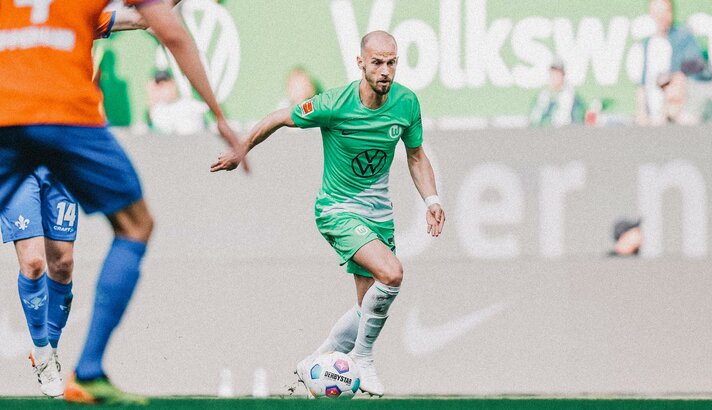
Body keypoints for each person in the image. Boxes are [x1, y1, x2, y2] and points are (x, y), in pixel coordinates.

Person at [0, 0, 247, 405]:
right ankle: (66, 359)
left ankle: (70, 363)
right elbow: (166, 27)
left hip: (44, 127)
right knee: (39, 259)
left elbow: (139, 18)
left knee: (63, 263)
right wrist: (218, 115)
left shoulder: (77, 16)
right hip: (55, 121)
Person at [211, 30, 446, 397]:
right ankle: (363, 359)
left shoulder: (406, 103)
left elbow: (415, 155)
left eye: (392, 62)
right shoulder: (335, 103)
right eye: (377, 62)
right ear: (361, 63)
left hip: (379, 213)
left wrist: (432, 200)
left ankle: (315, 361)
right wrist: (242, 148)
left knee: (367, 304)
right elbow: (280, 116)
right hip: (337, 209)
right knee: (393, 273)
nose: (385, 70)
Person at [635, 0, 712, 126]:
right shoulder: (647, 44)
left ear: (671, 12)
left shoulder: (684, 37)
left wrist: (677, 77)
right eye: (657, 12)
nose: (661, 16)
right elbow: (643, 85)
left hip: (677, 114)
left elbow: (699, 66)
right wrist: (642, 114)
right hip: (653, 118)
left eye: (665, 11)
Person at [528, 58, 585, 127]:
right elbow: (534, 119)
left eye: (557, 74)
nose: (554, 77)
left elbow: (578, 118)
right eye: (552, 74)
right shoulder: (543, 95)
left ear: (563, 75)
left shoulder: (571, 96)